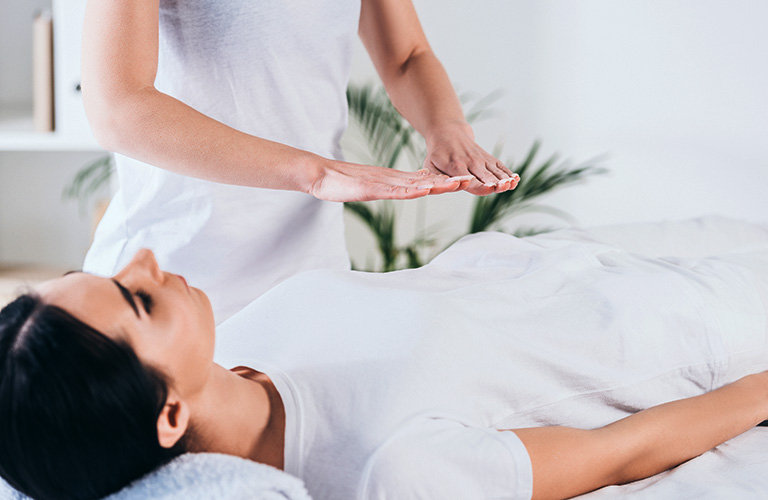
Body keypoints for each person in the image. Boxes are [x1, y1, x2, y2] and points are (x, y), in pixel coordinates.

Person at [2, 218, 768, 500]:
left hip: (598, 258)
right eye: (138, 301)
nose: (142, 257)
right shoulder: (391, 470)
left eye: (109, 276)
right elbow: (617, 454)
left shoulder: (243, 338)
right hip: (700, 331)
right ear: (170, 413)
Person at [79, 0, 520, 324]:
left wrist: (449, 129)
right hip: (168, 286)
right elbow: (119, 107)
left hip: (311, 277)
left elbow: (407, 56)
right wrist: (315, 172)